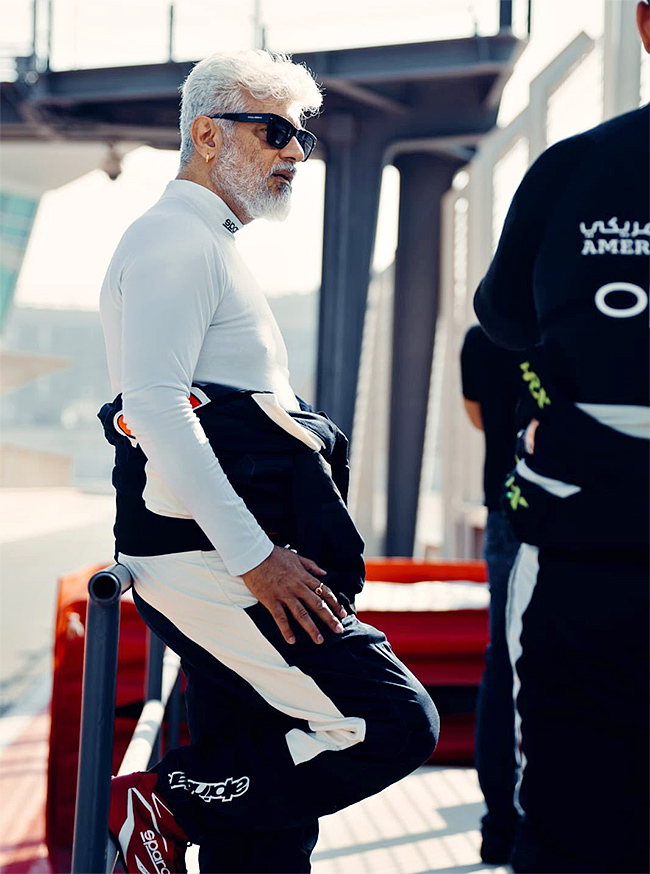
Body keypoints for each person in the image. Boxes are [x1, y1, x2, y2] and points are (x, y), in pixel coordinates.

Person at [98, 49, 439, 874]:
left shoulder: (207, 243)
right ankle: (168, 802)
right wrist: (257, 563)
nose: (294, 153)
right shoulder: (177, 241)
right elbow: (152, 409)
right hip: (221, 564)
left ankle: (194, 808)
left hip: (231, 558)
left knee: (262, 785)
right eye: (275, 131)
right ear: (207, 135)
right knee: (391, 721)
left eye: (303, 139)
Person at [473, 3, 650, 871]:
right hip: (588, 544)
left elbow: (504, 318)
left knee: (571, 821)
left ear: (646, 25)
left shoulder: (576, 165)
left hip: (586, 545)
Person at [460, 324, 523, 864]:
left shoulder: (482, 339)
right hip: (585, 514)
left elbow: (478, 416)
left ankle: (499, 825)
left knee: (502, 663)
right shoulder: (575, 325)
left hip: (507, 510)